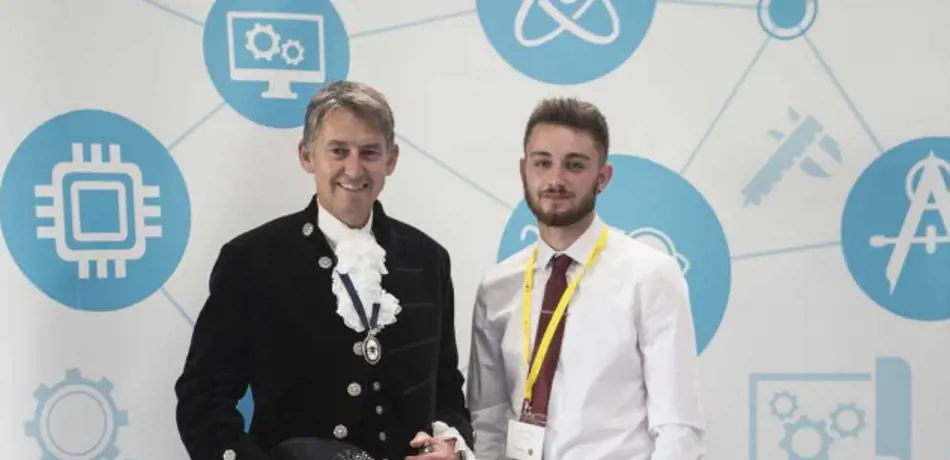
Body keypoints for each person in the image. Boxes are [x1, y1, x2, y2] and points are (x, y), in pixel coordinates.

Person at [174, 80, 475, 460]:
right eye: (338, 151)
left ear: (391, 159)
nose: (354, 168)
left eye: (369, 152)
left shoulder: (428, 258)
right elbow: (202, 399)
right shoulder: (253, 259)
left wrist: (450, 445)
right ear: (306, 155)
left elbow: (447, 392)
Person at [465, 97, 706, 460]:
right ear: (523, 171)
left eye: (574, 165)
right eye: (542, 163)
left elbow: (677, 427)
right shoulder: (498, 286)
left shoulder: (651, 275)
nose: (555, 179)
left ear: (602, 177)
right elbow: (486, 420)